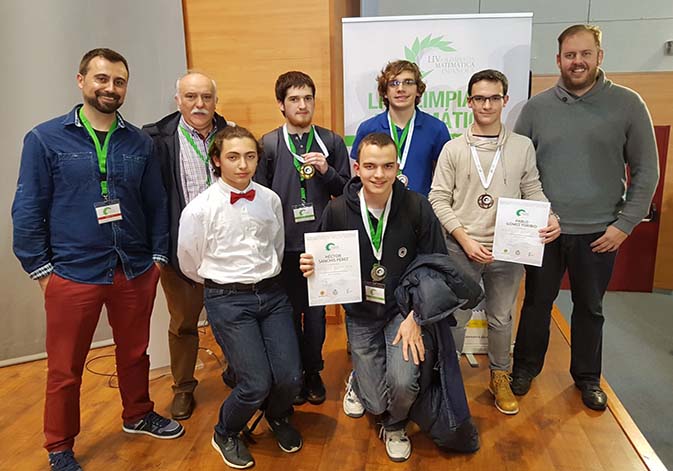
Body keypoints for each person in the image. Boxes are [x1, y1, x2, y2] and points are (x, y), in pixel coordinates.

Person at [12, 48, 184, 471]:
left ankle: (138, 413)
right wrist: (41, 270)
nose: (110, 88)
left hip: (134, 267)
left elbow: (156, 204)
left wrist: (158, 256)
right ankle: (59, 446)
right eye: (102, 79)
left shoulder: (139, 142)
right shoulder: (44, 139)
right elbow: (28, 207)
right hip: (73, 272)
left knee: (135, 352)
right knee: (65, 369)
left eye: (119, 81)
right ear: (81, 81)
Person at [511, 24, 659, 410]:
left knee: (590, 308)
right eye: (570, 55)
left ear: (599, 57)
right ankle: (524, 369)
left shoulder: (628, 104)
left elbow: (646, 172)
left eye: (585, 54)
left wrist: (624, 226)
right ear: (558, 60)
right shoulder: (536, 109)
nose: (577, 62)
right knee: (536, 305)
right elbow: (517, 166)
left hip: (600, 233)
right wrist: (531, 217)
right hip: (545, 230)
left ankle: (588, 378)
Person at [300, 132, 448, 462]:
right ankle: (360, 382)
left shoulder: (417, 206)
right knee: (375, 402)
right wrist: (311, 264)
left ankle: (394, 426)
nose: (378, 174)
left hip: (403, 312)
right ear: (356, 168)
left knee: (402, 386)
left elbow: (435, 266)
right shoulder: (338, 209)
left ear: (397, 168)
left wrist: (416, 317)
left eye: (386, 166)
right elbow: (322, 257)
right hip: (361, 312)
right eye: (369, 166)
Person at [429, 69, 560, 415]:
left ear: (504, 100)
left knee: (501, 318)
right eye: (479, 98)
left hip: (508, 249)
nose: (486, 104)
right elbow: (438, 199)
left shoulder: (521, 147)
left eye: (494, 98)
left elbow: (532, 190)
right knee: (456, 317)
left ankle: (500, 376)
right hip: (462, 249)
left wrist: (550, 216)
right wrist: (463, 238)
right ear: (469, 102)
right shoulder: (453, 149)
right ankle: (448, 379)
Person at [177, 125, 303, 469]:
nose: (242, 165)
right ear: (216, 160)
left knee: (292, 376)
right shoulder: (199, 209)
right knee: (255, 382)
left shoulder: (270, 199)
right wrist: (223, 285)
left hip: (272, 294)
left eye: (249, 156)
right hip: (228, 299)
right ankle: (225, 431)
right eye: (233, 157)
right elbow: (190, 261)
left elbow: (275, 247)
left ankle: (277, 415)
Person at [256, 71, 350, 405]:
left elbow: (347, 191)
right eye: (294, 99)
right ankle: (292, 374)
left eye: (308, 98)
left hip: (321, 244)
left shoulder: (332, 141)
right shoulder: (268, 144)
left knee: (315, 317)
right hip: (284, 246)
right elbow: (258, 197)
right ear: (281, 104)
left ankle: (313, 372)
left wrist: (326, 170)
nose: (302, 105)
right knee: (286, 314)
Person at [143, 71, 229, 420]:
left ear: (215, 101)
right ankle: (183, 387)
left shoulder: (231, 134)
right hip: (182, 250)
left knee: (231, 318)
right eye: (191, 97)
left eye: (206, 97)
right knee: (183, 323)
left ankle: (240, 374)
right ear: (177, 100)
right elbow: (149, 198)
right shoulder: (156, 139)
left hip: (226, 248)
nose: (199, 104)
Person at [350, 60, 450, 196]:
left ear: (418, 90)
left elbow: (444, 179)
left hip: (421, 211)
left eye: (408, 82)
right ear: (385, 92)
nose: (401, 88)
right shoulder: (368, 128)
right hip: (377, 210)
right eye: (393, 83)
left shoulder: (436, 129)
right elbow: (357, 177)